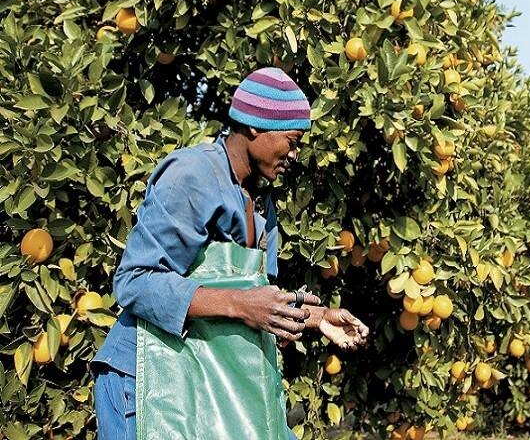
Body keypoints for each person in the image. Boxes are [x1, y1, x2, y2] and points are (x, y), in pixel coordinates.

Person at [92, 67, 369, 439]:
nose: (295, 153)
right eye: (291, 140)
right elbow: (133, 281)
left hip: (207, 380)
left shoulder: (260, 199)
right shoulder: (193, 175)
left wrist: (316, 317)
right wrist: (241, 305)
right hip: (147, 380)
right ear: (255, 127)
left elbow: (254, 299)